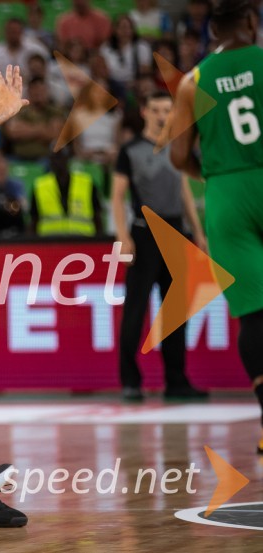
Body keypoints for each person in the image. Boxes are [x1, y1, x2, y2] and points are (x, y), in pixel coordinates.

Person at [167, 0, 263, 453]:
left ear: (212, 31)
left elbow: (178, 155)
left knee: (254, 314)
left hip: (226, 195)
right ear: (250, 22)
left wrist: (218, 176)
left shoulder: (194, 81)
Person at [113, 91, 208, 401]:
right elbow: (117, 196)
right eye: (156, 109)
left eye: (167, 110)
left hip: (176, 234)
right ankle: (130, 381)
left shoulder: (176, 147)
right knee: (136, 311)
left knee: (175, 314)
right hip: (144, 233)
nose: (162, 115)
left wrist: (198, 232)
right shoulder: (130, 150)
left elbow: (183, 189)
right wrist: (122, 236)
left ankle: (177, 381)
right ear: (144, 111)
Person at [29, 145, 103, 237]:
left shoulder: (87, 183)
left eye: (60, 156)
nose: (56, 161)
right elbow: (34, 221)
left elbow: (97, 218)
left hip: (83, 243)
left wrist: (99, 242)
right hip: (50, 244)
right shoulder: (40, 186)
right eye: (53, 157)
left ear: (68, 158)